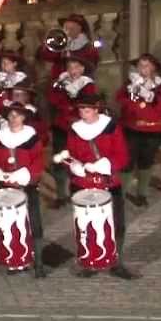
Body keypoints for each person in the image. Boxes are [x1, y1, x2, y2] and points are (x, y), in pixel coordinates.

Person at [61, 94, 135, 279]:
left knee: (116, 225)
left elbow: (123, 155)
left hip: (108, 183)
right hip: (83, 184)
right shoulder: (74, 130)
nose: (82, 114)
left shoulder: (111, 128)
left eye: (86, 110)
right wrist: (73, 166)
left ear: (96, 110)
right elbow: (69, 155)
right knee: (87, 226)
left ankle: (116, 262)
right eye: (80, 110)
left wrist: (105, 165)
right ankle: (90, 261)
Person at [0, 104, 49, 277]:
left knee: (33, 223)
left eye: (18, 116)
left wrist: (25, 173)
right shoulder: (0, 137)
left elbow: (38, 162)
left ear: (23, 118)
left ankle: (39, 263)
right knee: (10, 225)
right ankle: (16, 260)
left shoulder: (32, 137)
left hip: (27, 186)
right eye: (11, 116)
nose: (14, 119)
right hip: (6, 187)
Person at [116, 54, 161, 206]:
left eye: (145, 65)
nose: (142, 68)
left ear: (153, 68)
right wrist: (136, 106)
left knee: (146, 161)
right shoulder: (130, 83)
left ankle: (142, 194)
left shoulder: (160, 86)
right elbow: (120, 98)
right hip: (132, 129)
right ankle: (121, 194)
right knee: (127, 161)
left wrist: (148, 98)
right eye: (139, 65)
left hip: (153, 131)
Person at [47, 55, 97, 208]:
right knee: (60, 159)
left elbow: (88, 102)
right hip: (61, 126)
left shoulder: (87, 85)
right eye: (70, 68)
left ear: (82, 69)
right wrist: (64, 100)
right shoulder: (62, 82)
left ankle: (78, 191)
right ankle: (61, 194)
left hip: (79, 127)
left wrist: (70, 106)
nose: (72, 71)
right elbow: (52, 98)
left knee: (79, 160)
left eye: (76, 67)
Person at [37, 13, 99, 78]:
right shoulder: (61, 43)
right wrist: (52, 44)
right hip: (59, 81)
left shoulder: (89, 48)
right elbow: (46, 56)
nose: (67, 31)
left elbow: (91, 67)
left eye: (71, 28)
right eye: (66, 28)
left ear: (80, 29)